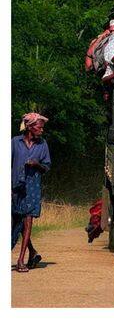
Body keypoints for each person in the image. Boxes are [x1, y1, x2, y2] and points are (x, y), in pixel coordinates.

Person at [12, 113, 52, 273]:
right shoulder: (15, 142)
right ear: (29, 127)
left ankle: (21, 260)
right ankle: (33, 252)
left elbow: (47, 167)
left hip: (32, 188)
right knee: (17, 222)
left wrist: (37, 164)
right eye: (39, 127)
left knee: (28, 221)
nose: (42, 130)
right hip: (15, 187)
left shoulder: (43, 145)